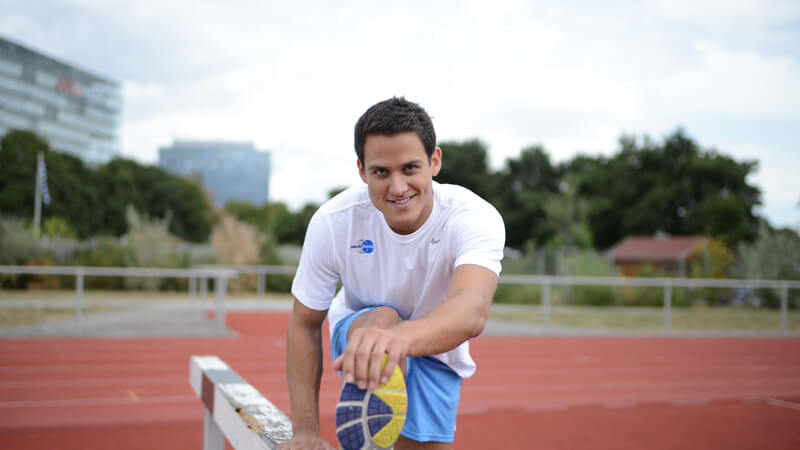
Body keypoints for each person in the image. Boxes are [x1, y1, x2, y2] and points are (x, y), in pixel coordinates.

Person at [279, 97, 505, 450]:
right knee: (383, 319)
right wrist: (305, 431)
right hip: (361, 331)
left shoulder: (472, 217)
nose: (398, 188)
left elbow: (472, 308)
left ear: (434, 161)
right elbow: (305, 323)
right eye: (381, 172)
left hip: (436, 351)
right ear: (362, 170)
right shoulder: (334, 221)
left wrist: (401, 339)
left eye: (410, 168)